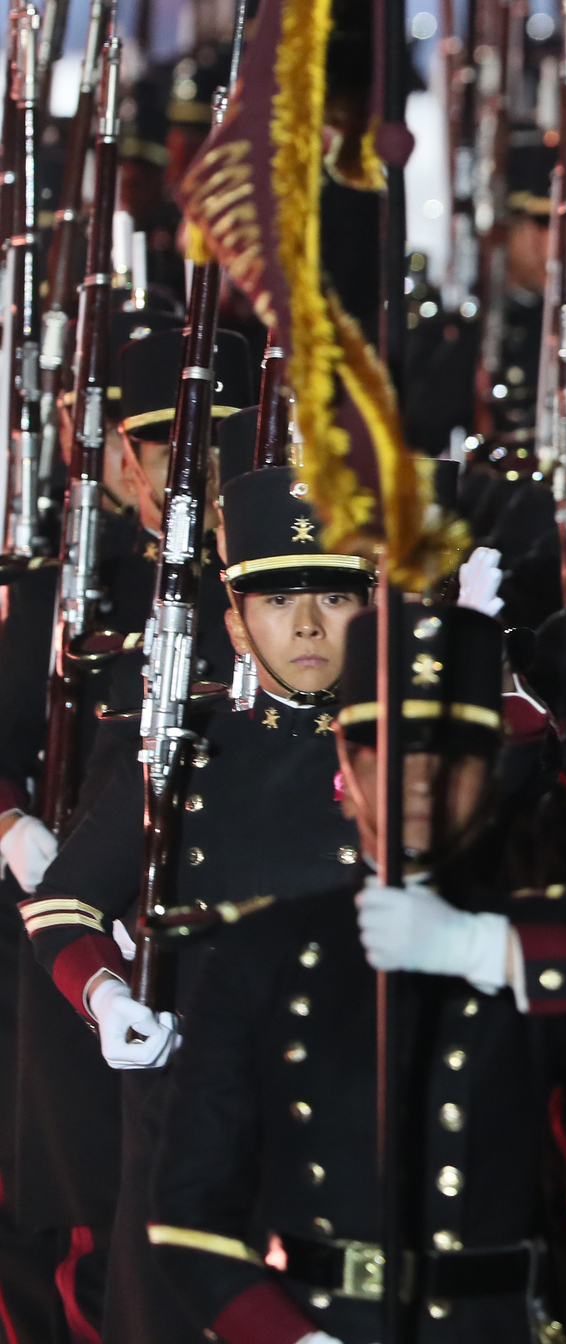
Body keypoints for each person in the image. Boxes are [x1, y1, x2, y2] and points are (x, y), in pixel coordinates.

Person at [146, 602, 566, 1343]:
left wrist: (479, 949)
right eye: (387, 756)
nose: (418, 782)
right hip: (316, 1320)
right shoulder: (265, 950)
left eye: (449, 760)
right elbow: (189, 1220)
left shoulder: (527, 930)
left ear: (486, 780)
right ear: (348, 774)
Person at [22, 466, 375, 1344]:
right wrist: (104, 998)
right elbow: (64, 903)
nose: (302, 627)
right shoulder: (184, 762)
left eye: (331, 599)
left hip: (356, 1131)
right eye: (275, 601)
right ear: (233, 621)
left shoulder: (422, 769)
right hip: (194, 1137)